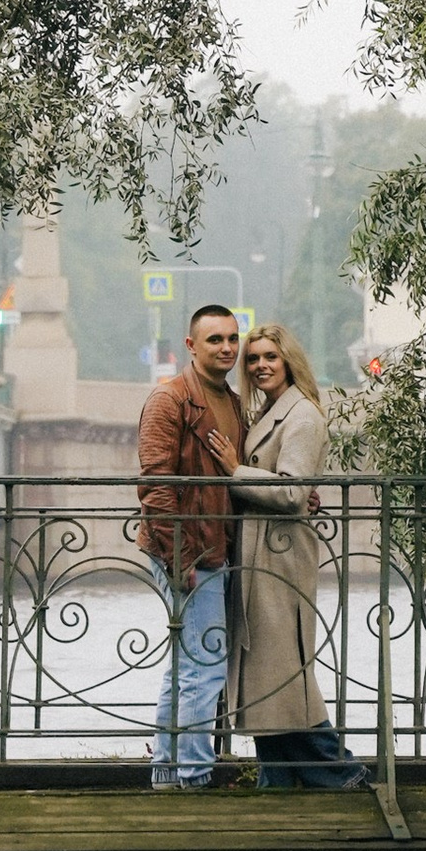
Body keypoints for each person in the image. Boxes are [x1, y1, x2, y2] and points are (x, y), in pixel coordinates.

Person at [230, 321, 367, 789]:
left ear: (288, 360)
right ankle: (281, 780)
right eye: (253, 359)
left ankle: (339, 770)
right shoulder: (271, 411)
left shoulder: (302, 415)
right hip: (262, 553)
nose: (261, 365)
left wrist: (233, 472)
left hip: (280, 555)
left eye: (270, 356)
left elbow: (290, 491)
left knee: (283, 671)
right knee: (267, 673)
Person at [134, 301, 245, 788]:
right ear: (191, 345)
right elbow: (155, 484)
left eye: (232, 339)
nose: (227, 348)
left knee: (185, 668)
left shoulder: (233, 401)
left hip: (214, 549)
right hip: (188, 553)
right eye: (215, 339)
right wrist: (181, 560)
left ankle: (166, 774)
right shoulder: (170, 399)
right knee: (206, 666)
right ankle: (195, 779)